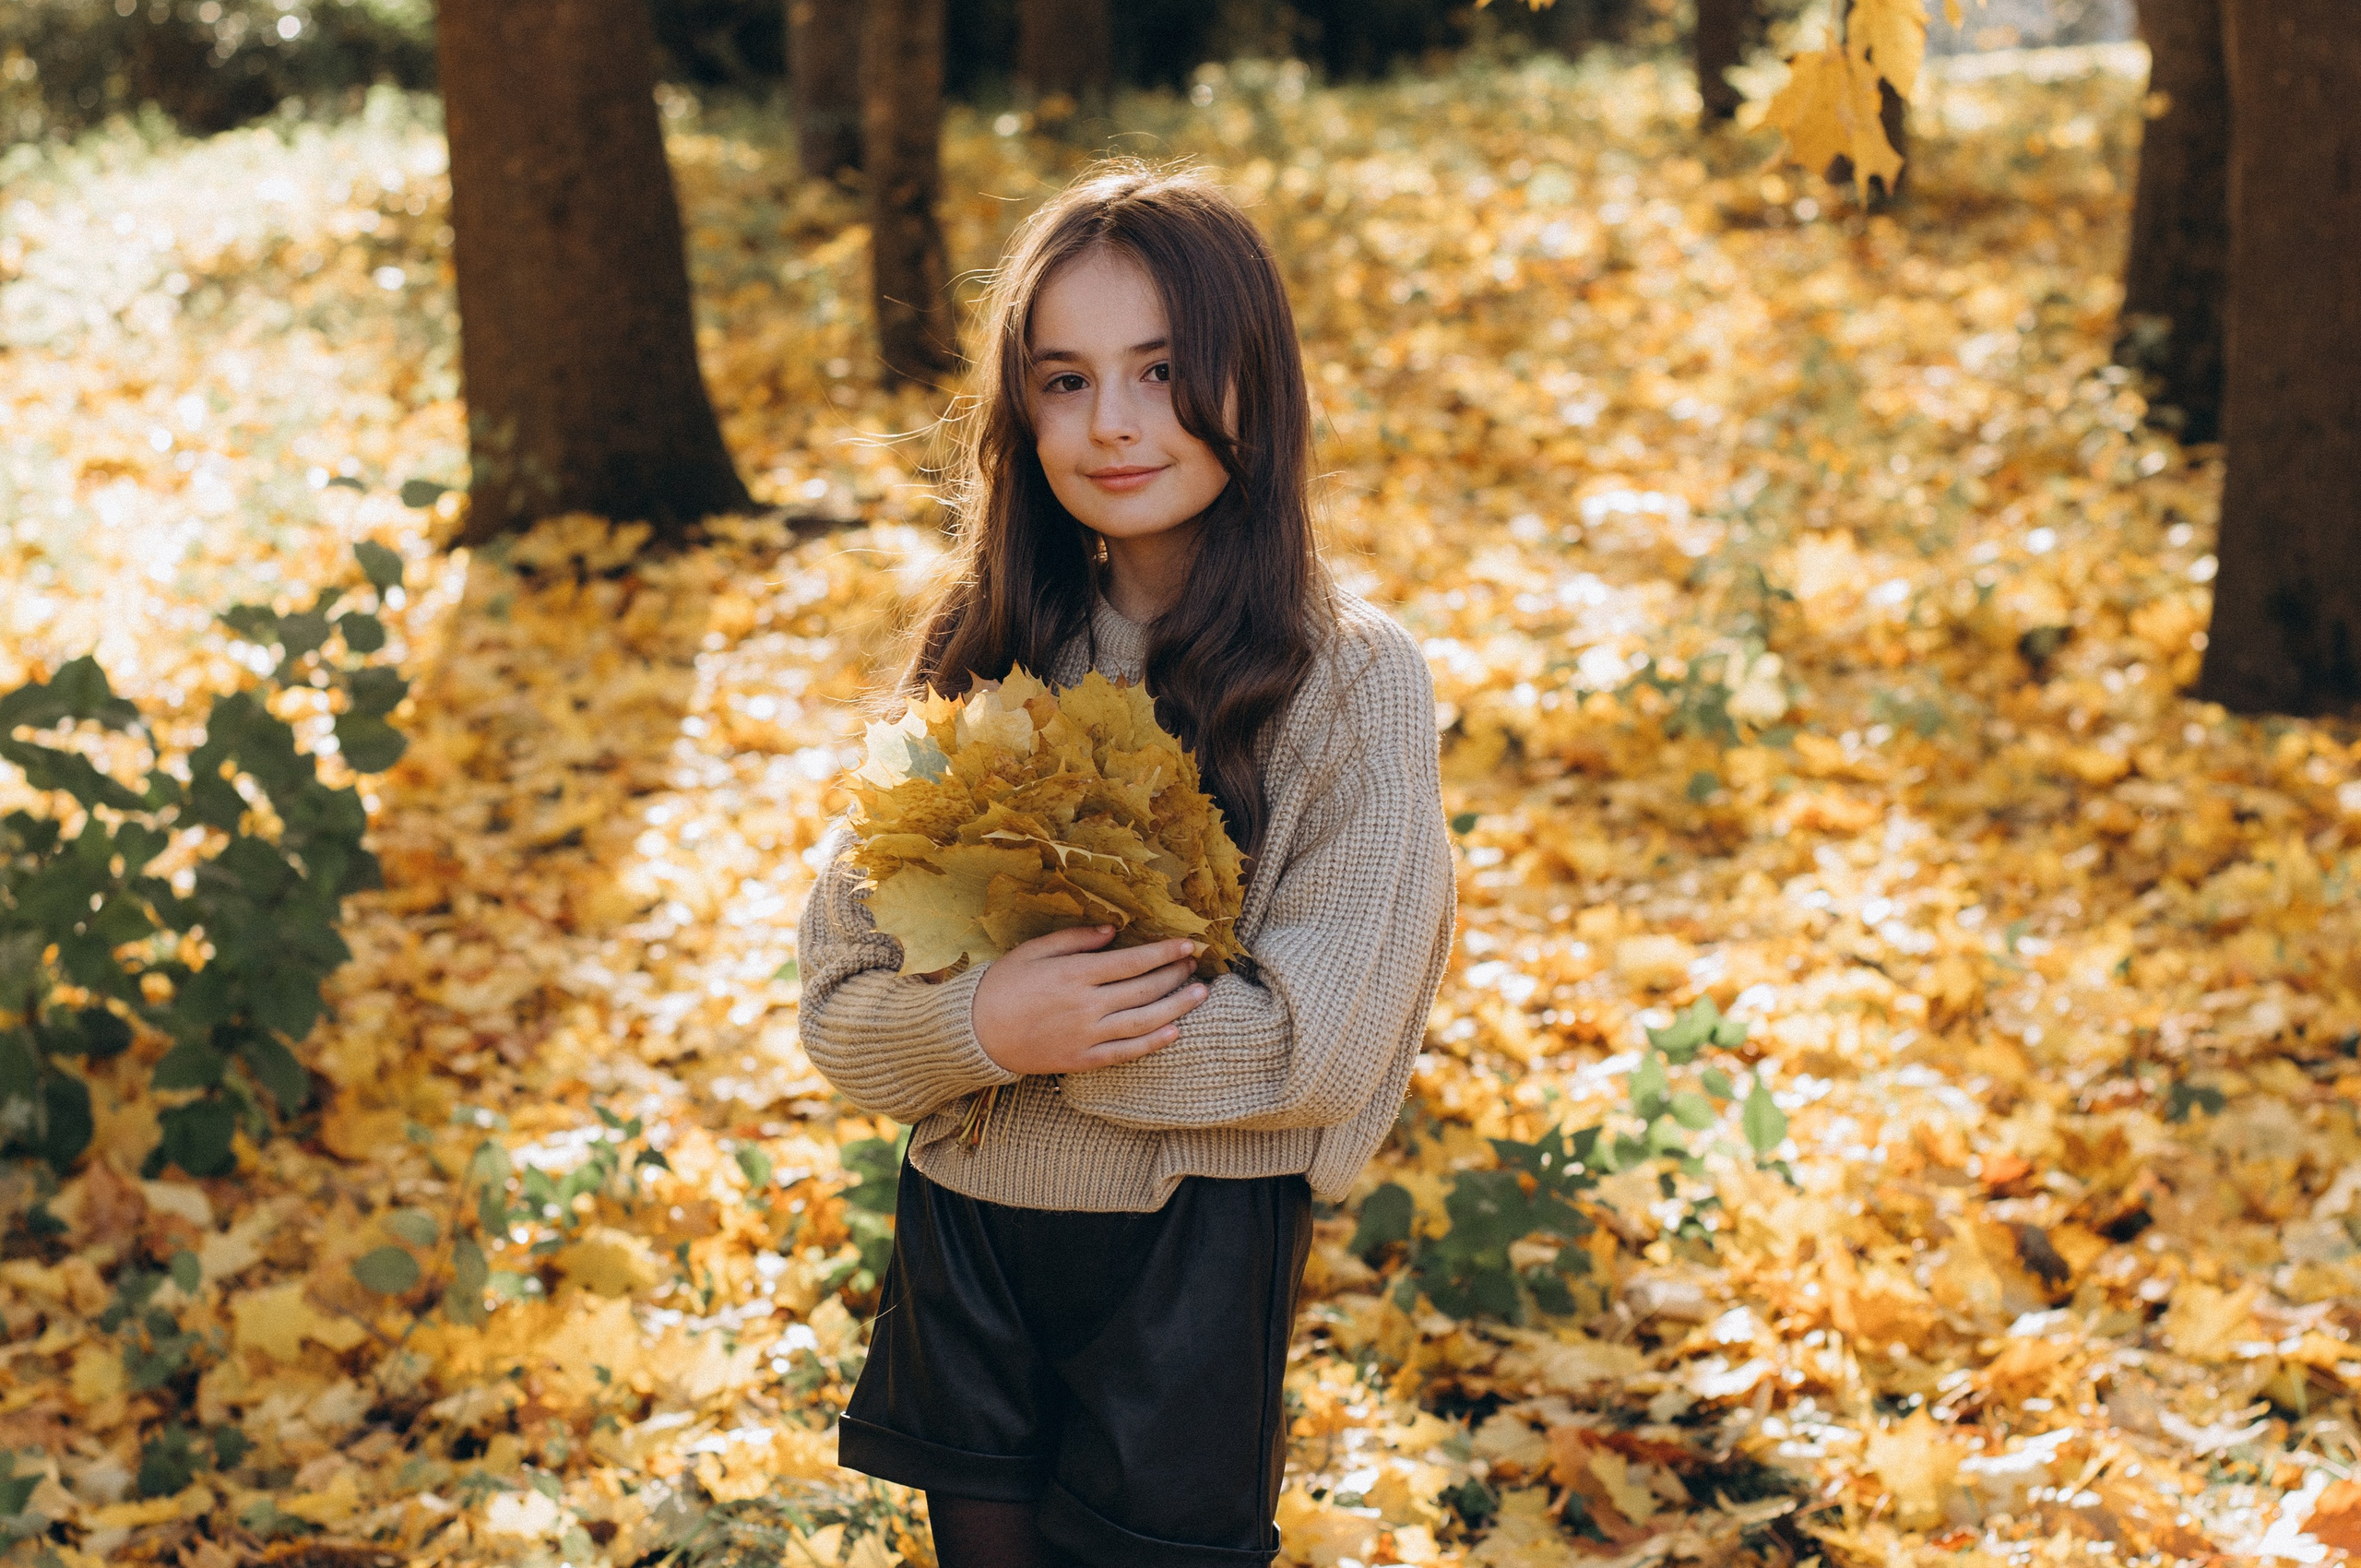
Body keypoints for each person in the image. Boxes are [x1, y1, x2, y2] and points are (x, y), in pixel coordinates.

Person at [794, 160, 1455, 1568]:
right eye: (1066, 380)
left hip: (1191, 1261)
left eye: (1160, 372)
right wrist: (979, 1021)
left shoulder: (1349, 682)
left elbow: (1312, 1052)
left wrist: (1030, 1049)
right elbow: (843, 1010)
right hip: (968, 1236)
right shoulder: (977, 656)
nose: (1113, 424)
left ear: (1250, 385)